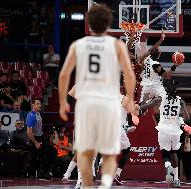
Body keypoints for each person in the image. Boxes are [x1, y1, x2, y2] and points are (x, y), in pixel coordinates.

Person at [58, 4, 136, 188]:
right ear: (108, 24)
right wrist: (130, 99)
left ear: (89, 24)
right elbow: (130, 75)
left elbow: (63, 75)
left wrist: (62, 102)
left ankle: (83, 184)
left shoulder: (79, 45)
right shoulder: (115, 45)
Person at [139, 80, 189, 187]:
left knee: (164, 153)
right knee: (173, 153)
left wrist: (139, 106)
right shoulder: (181, 101)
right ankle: (176, 179)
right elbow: (187, 118)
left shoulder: (160, 98)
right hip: (175, 131)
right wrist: (177, 117)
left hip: (164, 129)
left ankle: (167, 166)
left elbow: (144, 107)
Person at [26, 99, 55, 179]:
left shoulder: (38, 113)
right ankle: (36, 172)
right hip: (34, 138)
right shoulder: (32, 115)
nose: (40, 105)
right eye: (38, 104)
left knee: (52, 151)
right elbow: (29, 132)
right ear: (33, 105)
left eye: (40, 104)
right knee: (39, 155)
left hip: (40, 137)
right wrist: (35, 142)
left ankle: (44, 171)